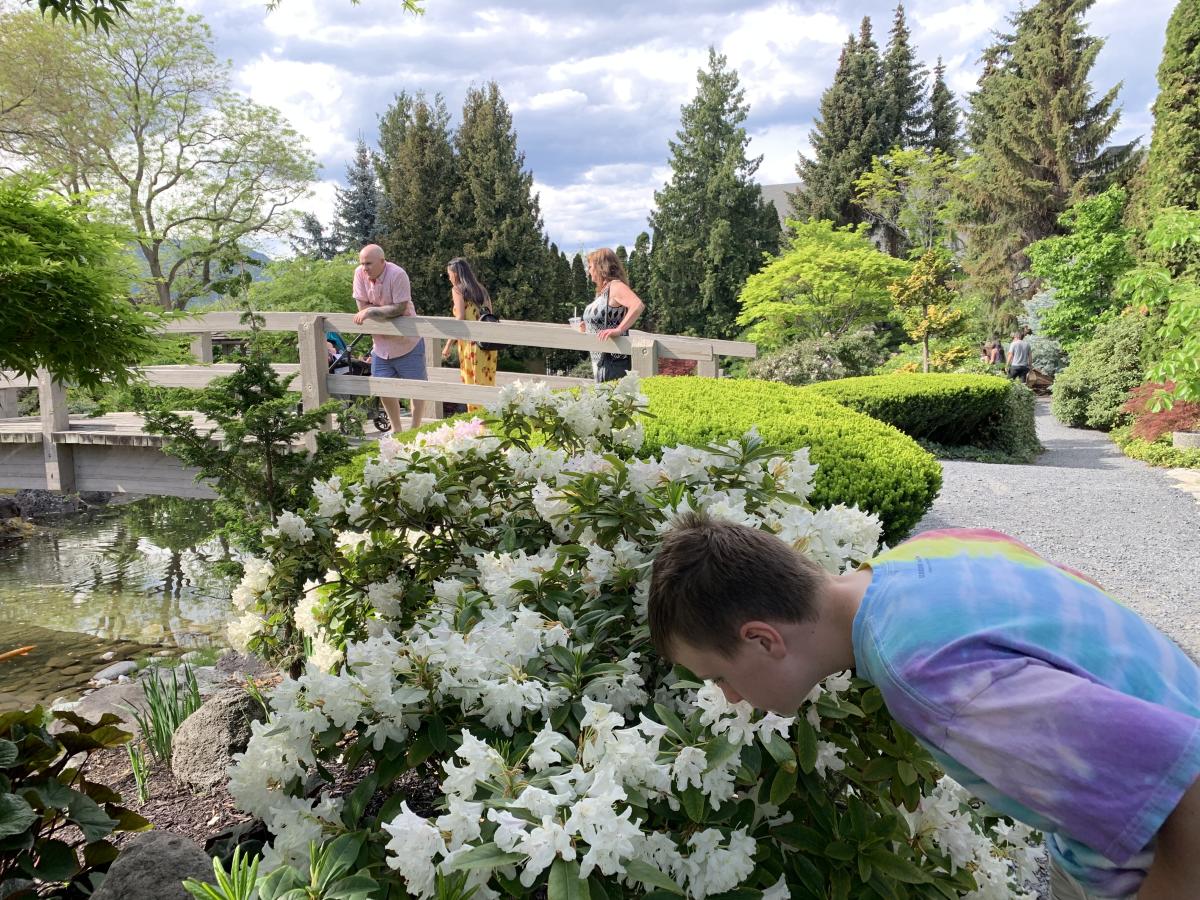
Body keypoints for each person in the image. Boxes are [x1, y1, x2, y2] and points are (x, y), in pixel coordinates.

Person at [648, 513, 1200, 900]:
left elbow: (1193, 785)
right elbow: (1080, 592)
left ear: (764, 639)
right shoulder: (928, 552)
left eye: (720, 676)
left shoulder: (924, 674)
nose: (730, 697)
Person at [352, 244, 426, 433]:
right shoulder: (359, 273)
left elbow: (399, 308)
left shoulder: (398, 274)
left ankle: (416, 428)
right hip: (381, 344)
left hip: (407, 342)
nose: (365, 267)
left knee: (416, 389)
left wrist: (372, 310)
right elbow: (362, 307)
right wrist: (373, 310)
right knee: (383, 388)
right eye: (362, 263)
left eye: (369, 263)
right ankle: (397, 429)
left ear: (382, 261)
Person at [576, 248, 645, 383]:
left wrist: (619, 329)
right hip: (601, 363)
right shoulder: (603, 292)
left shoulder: (615, 286)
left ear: (600, 267)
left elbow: (637, 305)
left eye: (590, 267)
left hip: (613, 363)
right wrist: (588, 326)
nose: (588, 271)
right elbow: (603, 320)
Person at [440, 257, 498, 413]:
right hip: (487, 345)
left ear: (456, 274)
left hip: (471, 345)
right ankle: (488, 421)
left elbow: (459, 319)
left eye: (450, 274)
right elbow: (490, 314)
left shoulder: (458, 290)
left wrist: (447, 345)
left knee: (472, 384)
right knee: (487, 384)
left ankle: (478, 425)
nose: (449, 278)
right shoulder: (482, 290)